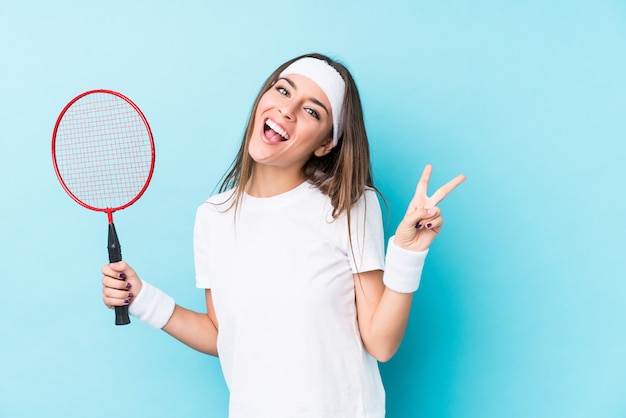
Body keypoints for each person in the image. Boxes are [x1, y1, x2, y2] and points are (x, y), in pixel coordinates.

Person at [101, 53, 465, 417]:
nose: (287, 110)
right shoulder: (213, 216)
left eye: (312, 111)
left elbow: (381, 344)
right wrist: (142, 298)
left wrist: (406, 254)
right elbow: (222, 332)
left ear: (325, 144)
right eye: (283, 90)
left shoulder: (349, 205)